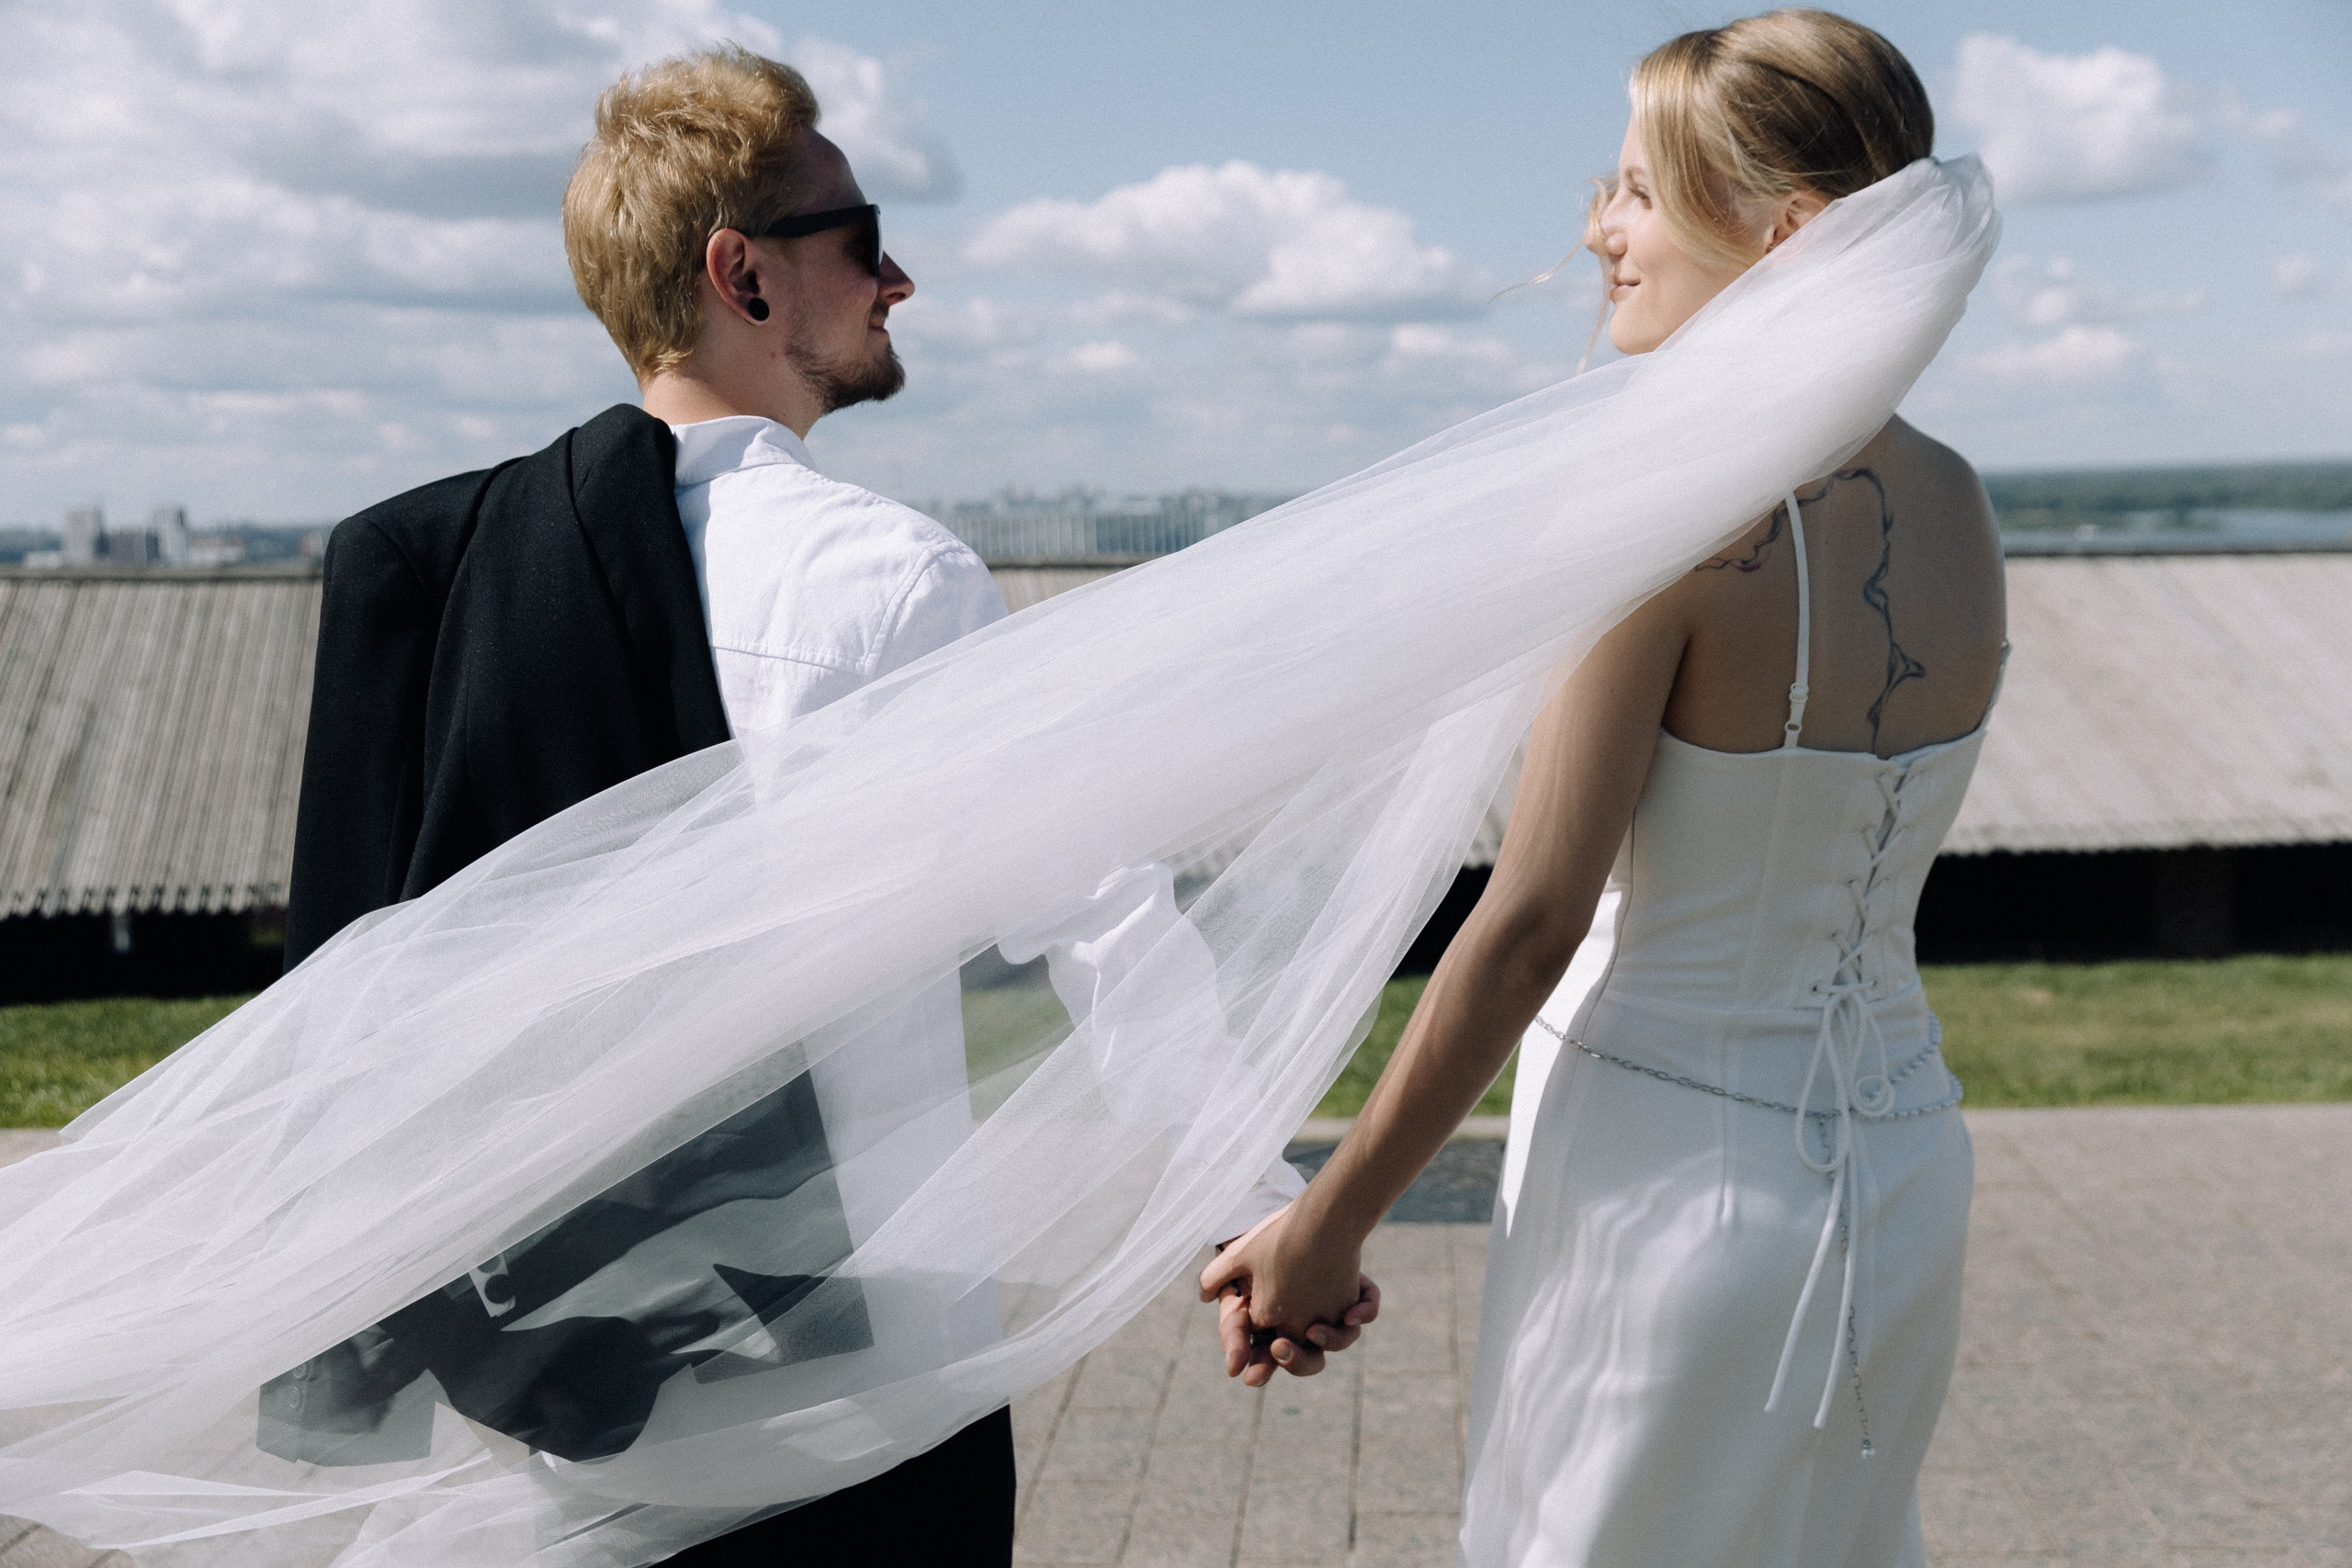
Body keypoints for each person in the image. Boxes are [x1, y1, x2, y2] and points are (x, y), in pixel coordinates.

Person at [278, 45, 1336, 1568]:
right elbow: (1100, 917)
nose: (897, 277)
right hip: (867, 1376)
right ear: (744, 278)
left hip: (564, 1379)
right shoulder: (888, 580)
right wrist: (1249, 1206)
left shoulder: (449, 579)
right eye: (861, 237)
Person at [1204, 12, 2004, 1564]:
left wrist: (1327, 1222)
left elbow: (1532, 920)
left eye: (1638, 190)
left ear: (1781, 234)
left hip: (1668, 1191)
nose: (1597, 229)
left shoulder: (1662, 522)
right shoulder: (1958, 503)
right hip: (1903, 1178)